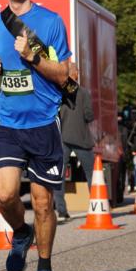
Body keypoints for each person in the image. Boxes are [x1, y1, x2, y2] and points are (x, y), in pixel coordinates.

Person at [0, 0, 73, 271]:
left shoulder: (51, 22)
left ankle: (45, 268)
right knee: (5, 195)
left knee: (42, 203)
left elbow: (66, 74)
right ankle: (21, 233)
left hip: (42, 122)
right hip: (7, 120)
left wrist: (33, 57)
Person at [53, 61, 94, 222]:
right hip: (81, 138)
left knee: (59, 176)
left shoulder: (58, 93)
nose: (78, 73)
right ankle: (96, 205)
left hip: (62, 138)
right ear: (74, 74)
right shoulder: (83, 92)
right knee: (92, 174)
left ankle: (62, 211)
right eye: (77, 70)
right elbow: (89, 115)